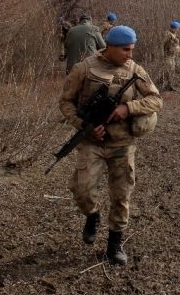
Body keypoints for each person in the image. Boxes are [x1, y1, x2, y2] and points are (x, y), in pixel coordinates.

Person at [59, 25, 162, 265]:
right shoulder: (84, 68)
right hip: (92, 141)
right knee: (81, 189)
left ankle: (115, 245)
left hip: (122, 143)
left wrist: (129, 108)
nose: (130, 54)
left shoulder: (135, 70)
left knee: (121, 195)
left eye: (132, 49)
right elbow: (65, 102)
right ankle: (92, 216)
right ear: (111, 46)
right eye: (125, 49)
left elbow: (156, 100)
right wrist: (83, 125)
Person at [161, 20, 180, 91]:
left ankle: (169, 86)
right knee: (167, 71)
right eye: (177, 28)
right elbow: (162, 44)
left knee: (172, 71)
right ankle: (163, 86)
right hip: (167, 56)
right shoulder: (168, 34)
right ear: (175, 28)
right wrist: (162, 55)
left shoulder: (174, 35)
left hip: (173, 56)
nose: (178, 30)